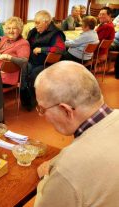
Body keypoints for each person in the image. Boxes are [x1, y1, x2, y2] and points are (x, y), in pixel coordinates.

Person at [33, 61, 119, 206]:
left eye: (42, 109)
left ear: (66, 110)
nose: (42, 115)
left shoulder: (66, 170)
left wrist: (47, 179)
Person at [22, 10, 65, 110]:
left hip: (46, 63)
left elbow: (61, 49)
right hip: (32, 60)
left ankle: (33, 101)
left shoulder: (56, 33)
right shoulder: (34, 31)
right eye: (35, 22)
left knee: (33, 75)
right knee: (23, 71)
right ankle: (27, 99)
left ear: (46, 22)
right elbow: (27, 43)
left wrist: (42, 49)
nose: (35, 25)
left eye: (38, 23)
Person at [0, 16, 30, 85]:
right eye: (8, 28)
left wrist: (8, 57)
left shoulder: (23, 43)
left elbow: (24, 62)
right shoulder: (4, 39)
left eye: (14, 28)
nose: (11, 31)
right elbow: (1, 52)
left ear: (19, 30)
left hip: (7, 77)